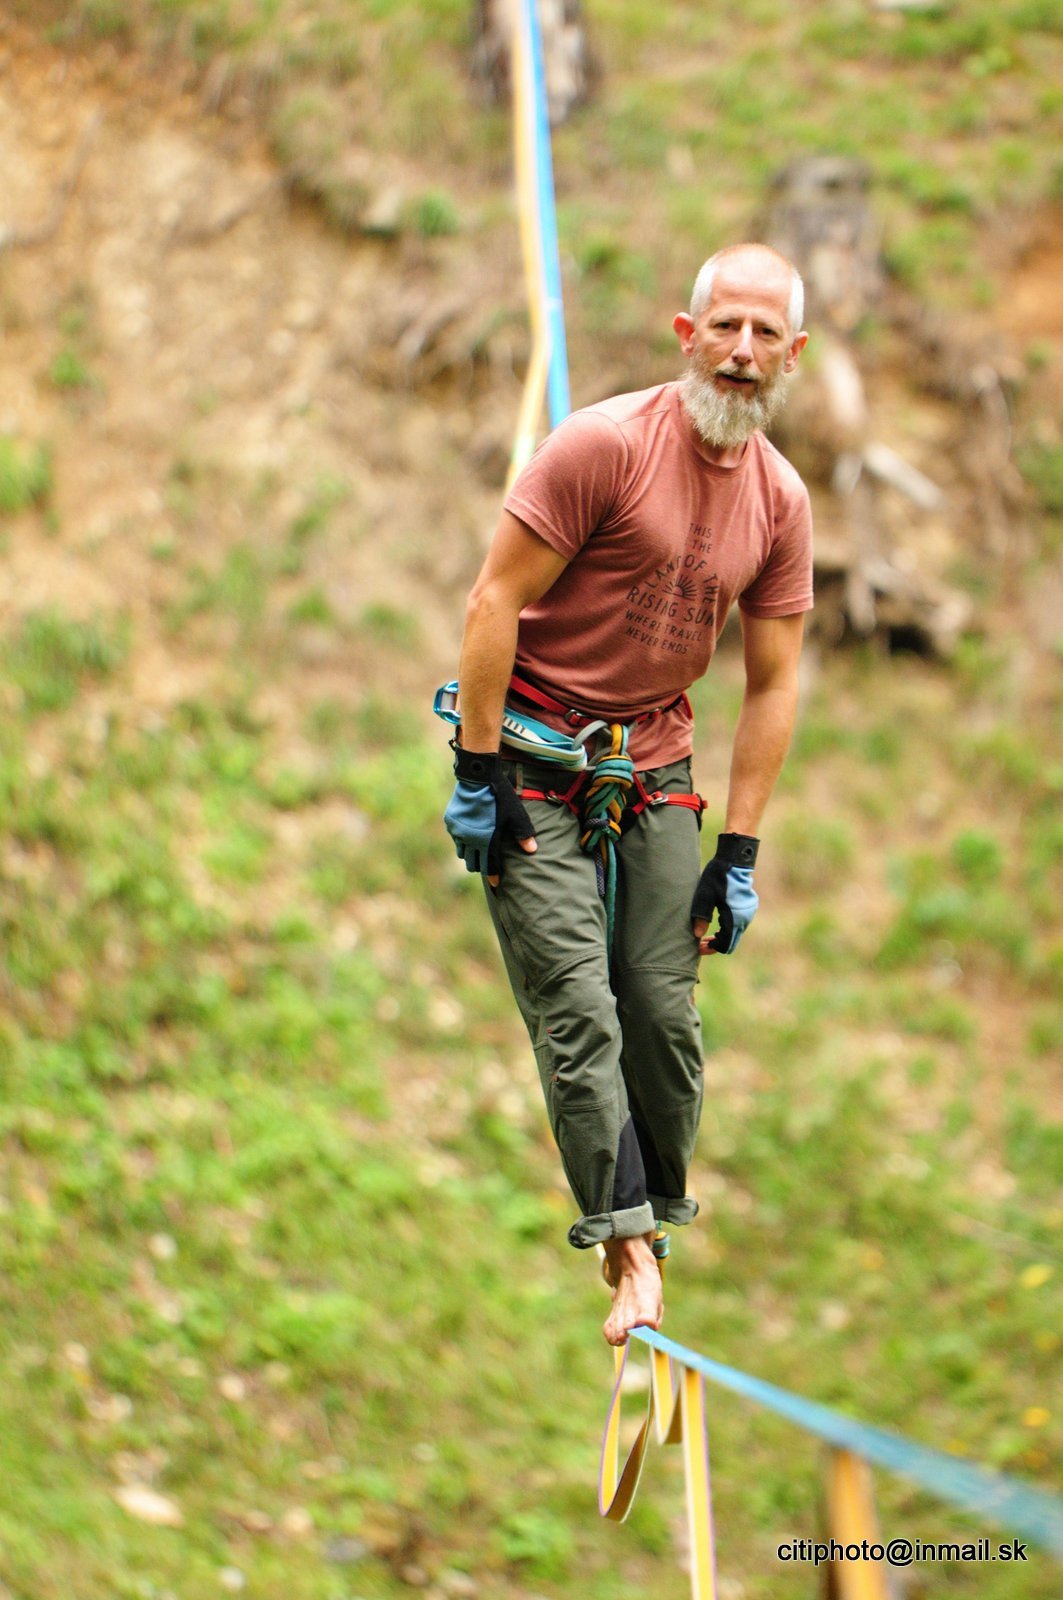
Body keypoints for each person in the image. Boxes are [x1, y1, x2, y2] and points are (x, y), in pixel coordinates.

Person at [443, 243, 813, 1346]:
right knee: (576, 1005)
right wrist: (477, 772)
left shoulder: (780, 503)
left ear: (792, 355)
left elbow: (774, 681)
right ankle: (627, 1247)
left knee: (660, 1013)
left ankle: (657, 1215)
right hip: (530, 754)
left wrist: (737, 852)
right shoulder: (603, 446)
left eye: (763, 334)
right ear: (685, 334)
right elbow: (493, 600)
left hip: (651, 766)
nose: (739, 351)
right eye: (723, 326)